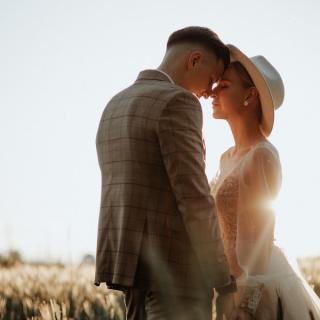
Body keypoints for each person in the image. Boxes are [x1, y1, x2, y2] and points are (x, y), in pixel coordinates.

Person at [95, 27, 248, 320]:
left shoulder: (114, 105)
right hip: (178, 278)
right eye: (211, 79)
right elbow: (194, 198)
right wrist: (223, 281)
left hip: (131, 276)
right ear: (193, 60)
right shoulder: (179, 102)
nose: (208, 93)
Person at [210, 44, 320, 319]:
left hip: (257, 290)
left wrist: (247, 305)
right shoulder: (226, 158)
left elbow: (261, 235)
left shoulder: (262, 155)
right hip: (227, 287)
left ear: (250, 95)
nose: (213, 91)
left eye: (224, 85)